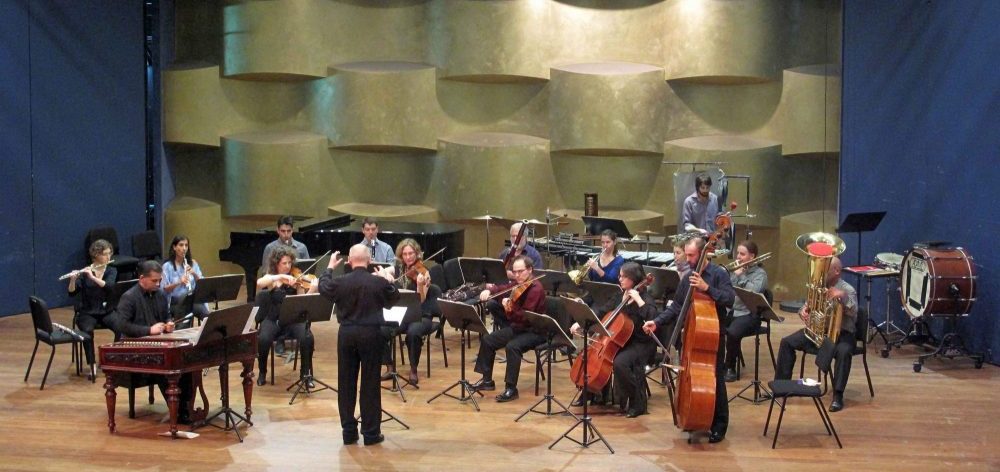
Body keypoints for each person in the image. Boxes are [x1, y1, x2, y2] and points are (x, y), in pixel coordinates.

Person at [642, 237, 734, 443]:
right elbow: (676, 307)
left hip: (714, 334)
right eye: (687, 254)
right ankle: (695, 414)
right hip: (693, 334)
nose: (687, 259)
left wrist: (706, 288)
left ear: (703, 254)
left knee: (715, 379)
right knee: (692, 376)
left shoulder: (718, 274)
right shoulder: (687, 278)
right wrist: (657, 322)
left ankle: (719, 425)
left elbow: (729, 299)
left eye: (691, 255)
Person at [318, 244, 400, 446]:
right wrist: (386, 278)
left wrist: (329, 268)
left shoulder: (340, 281)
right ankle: (371, 434)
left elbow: (323, 286)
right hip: (371, 334)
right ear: (370, 261)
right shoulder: (377, 282)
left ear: (349, 261)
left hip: (347, 334)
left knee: (346, 383)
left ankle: (348, 432)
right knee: (370, 383)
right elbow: (393, 297)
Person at [111, 260, 195, 424]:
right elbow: (122, 326)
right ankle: (177, 411)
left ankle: (185, 407)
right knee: (167, 367)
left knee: (184, 365)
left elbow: (166, 316)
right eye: (154, 280)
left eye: (160, 280)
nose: (158, 284)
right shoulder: (129, 298)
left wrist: (169, 323)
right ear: (142, 279)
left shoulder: (161, 295)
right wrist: (149, 330)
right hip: (135, 348)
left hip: (158, 343)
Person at [570, 262, 657, 417]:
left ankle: (637, 402)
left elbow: (652, 319)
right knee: (590, 355)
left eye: (624, 277)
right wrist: (582, 322)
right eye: (620, 275)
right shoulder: (619, 296)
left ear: (634, 279)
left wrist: (639, 301)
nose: (620, 279)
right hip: (620, 341)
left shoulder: (646, 299)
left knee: (620, 363)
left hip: (640, 343)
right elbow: (602, 311)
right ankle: (590, 393)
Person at [774, 256, 857, 413]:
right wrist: (803, 312)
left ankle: (838, 395)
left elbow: (854, 313)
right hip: (819, 332)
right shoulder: (819, 287)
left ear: (837, 271)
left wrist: (843, 297)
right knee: (787, 342)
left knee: (844, 352)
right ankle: (781, 387)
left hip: (842, 334)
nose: (821, 273)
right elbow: (807, 306)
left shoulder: (848, 289)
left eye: (825, 270)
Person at [469, 255, 546, 402]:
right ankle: (487, 381)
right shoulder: (518, 284)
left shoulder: (536, 289)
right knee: (488, 340)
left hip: (535, 331)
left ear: (530, 270)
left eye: (520, 271)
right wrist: (491, 290)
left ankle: (511, 388)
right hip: (519, 328)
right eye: (514, 272)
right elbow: (504, 288)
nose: (517, 275)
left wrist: (509, 308)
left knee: (512, 347)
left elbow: (524, 317)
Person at [253, 246, 318, 388]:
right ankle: (262, 372)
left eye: (289, 263)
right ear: (276, 264)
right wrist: (281, 277)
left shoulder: (296, 279)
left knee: (307, 337)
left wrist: (312, 290)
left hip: (293, 320)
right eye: (284, 263)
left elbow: (302, 302)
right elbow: (259, 283)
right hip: (273, 319)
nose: (288, 266)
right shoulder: (272, 278)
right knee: (263, 339)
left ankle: (305, 374)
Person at [382, 239, 441, 385]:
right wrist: (385, 275)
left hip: (421, 315)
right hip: (401, 314)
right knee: (380, 330)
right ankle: (389, 366)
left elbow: (421, 299)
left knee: (413, 333)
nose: (408, 257)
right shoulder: (397, 268)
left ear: (417, 254)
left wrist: (420, 285)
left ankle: (413, 369)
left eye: (411, 253)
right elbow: (381, 271)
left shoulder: (424, 272)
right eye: (405, 254)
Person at [68, 239, 117, 380]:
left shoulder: (112, 270)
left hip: (106, 311)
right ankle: (92, 365)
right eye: (105, 254)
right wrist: (72, 280)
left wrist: (92, 277)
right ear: (96, 255)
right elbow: (72, 293)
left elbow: (109, 286)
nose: (108, 257)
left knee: (121, 326)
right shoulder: (85, 272)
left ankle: (112, 359)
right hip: (88, 312)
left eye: (109, 253)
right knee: (87, 331)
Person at [723, 240, 768, 382]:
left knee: (733, 332)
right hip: (732, 310)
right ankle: (717, 363)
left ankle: (730, 367)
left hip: (750, 314)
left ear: (752, 256)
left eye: (742, 254)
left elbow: (754, 291)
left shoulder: (760, 274)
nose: (738, 257)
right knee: (714, 327)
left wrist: (740, 276)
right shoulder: (736, 270)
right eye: (738, 253)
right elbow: (728, 289)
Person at [161, 235, 209, 325]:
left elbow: (202, 284)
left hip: (192, 300)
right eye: (181, 245)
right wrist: (179, 282)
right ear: (174, 247)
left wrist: (194, 273)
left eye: (186, 245)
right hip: (176, 302)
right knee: (185, 318)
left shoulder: (193, 263)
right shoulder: (167, 266)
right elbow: (164, 289)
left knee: (206, 316)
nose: (184, 248)